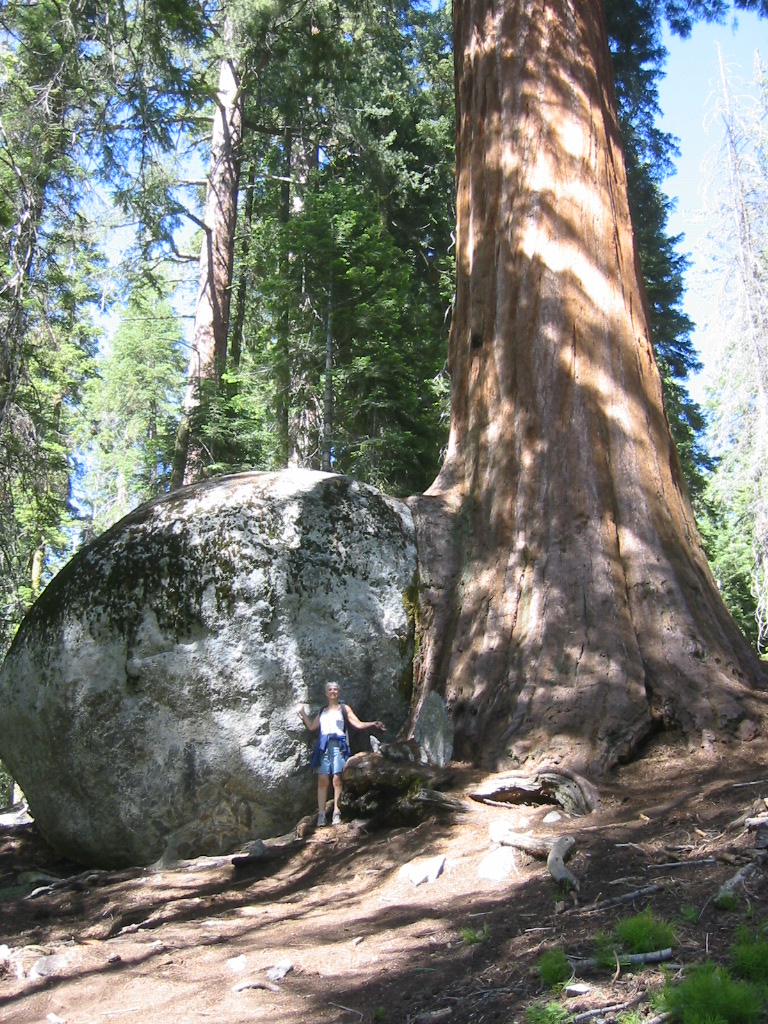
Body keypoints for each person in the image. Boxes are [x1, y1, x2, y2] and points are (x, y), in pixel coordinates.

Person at [299, 682, 385, 826]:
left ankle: (337, 812)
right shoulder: (322, 711)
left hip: (338, 745)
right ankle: (321, 814)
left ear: (339, 693)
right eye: (330, 689)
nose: (333, 691)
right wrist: (302, 713)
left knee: (337, 779)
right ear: (326, 693)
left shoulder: (344, 708)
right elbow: (312, 726)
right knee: (322, 779)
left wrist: (372, 724)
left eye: (335, 689)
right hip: (323, 746)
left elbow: (357, 724)